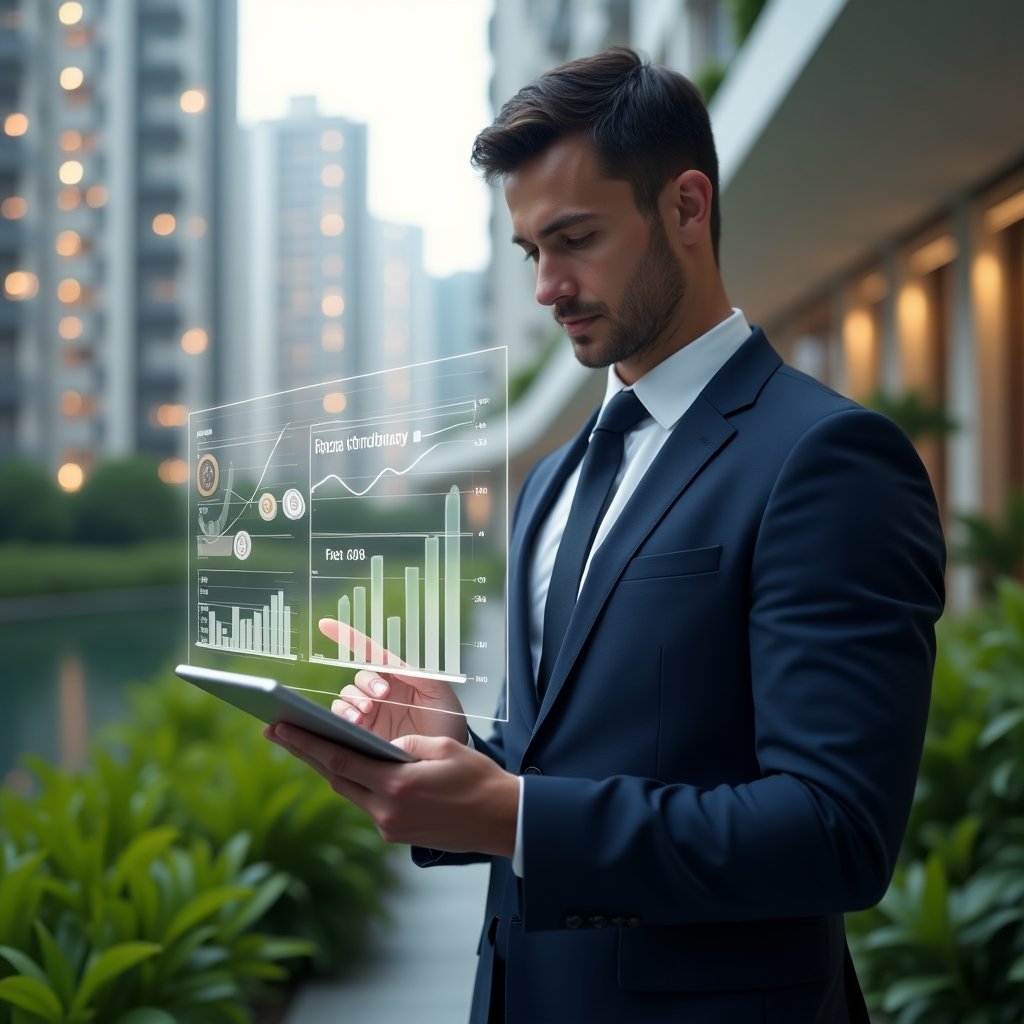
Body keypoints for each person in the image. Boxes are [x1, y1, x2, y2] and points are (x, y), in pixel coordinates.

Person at [266, 46, 946, 1023]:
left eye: (575, 239)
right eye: (530, 251)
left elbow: (833, 830)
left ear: (686, 207)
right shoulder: (551, 480)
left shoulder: (829, 458)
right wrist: (461, 750)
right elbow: (589, 754)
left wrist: (515, 813)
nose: (548, 286)